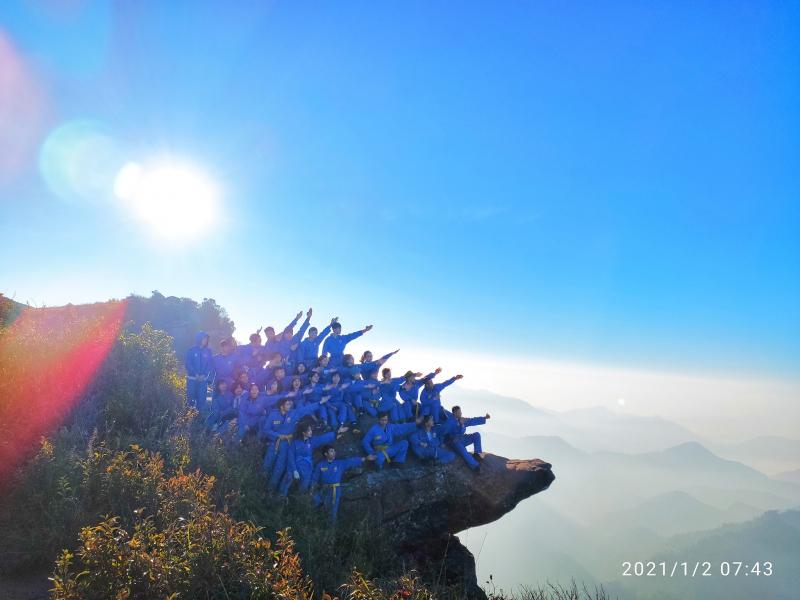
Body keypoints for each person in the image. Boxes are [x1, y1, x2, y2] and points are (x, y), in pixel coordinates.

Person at [261, 394, 328, 491]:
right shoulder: (273, 414)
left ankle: (270, 489)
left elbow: (306, 409)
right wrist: (278, 435)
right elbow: (266, 429)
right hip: (274, 443)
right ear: (281, 405)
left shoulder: (294, 413)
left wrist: (320, 402)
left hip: (286, 445)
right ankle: (259, 486)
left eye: (291, 404)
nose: (290, 406)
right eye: (288, 404)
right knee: (267, 465)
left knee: (279, 468)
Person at [279, 421, 346, 496]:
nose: (311, 432)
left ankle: (299, 500)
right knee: (288, 477)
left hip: (306, 467)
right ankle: (280, 498)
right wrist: (294, 470)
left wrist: (337, 432)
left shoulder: (311, 441)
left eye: (311, 430)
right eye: (309, 430)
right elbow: (290, 457)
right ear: (303, 433)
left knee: (305, 484)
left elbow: (323, 438)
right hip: (294, 466)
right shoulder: (294, 443)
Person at [311, 445, 375, 522]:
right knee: (314, 504)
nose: (334, 453)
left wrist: (365, 458)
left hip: (335, 491)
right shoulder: (320, 465)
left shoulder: (339, 464)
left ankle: (331, 531)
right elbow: (314, 479)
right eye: (331, 451)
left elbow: (351, 461)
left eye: (334, 451)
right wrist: (311, 490)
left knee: (332, 513)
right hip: (323, 490)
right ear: (326, 454)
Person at [437, 406, 490, 470]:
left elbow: (472, 421)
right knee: (464, 452)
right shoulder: (450, 422)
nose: (461, 413)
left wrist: (484, 418)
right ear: (454, 413)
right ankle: (475, 466)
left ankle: (476, 453)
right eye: (459, 412)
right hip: (455, 442)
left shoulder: (461, 420)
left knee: (476, 435)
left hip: (462, 438)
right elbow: (442, 433)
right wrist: (442, 443)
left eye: (460, 412)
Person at [185, 331, 213, 414]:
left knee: (202, 400)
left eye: (207, 339)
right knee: (190, 399)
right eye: (204, 338)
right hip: (192, 379)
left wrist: (204, 375)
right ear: (199, 339)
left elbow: (209, 365)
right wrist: (195, 374)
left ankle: (199, 420)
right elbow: (188, 364)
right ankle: (188, 419)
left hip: (203, 380)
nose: (206, 340)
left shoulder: (208, 351)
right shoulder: (191, 350)